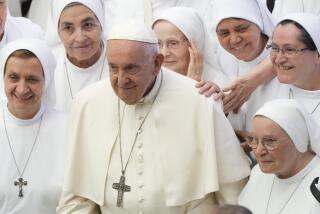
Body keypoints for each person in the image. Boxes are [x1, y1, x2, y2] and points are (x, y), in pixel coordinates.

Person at [57, 21, 250, 213]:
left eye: (131, 68)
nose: (121, 80)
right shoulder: (87, 103)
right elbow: (76, 199)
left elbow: (232, 192)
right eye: (113, 68)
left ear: (157, 63)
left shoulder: (200, 101)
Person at [0, 38, 66, 213]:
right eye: (13, 77)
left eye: (32, 79)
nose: (21, 89)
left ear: (46, 81)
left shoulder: (67, 128)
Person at [211, 0, 287, 133]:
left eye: (242, 29)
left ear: (259, 24)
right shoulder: (219, 57)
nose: (234, 40)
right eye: (224, 33)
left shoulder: (289, 61)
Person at [239, 99, 320, 214]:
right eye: (254, 139)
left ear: (297, 139)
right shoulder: (257, 174)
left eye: (270, 141)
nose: (258, 151)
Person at [152, 6, 227, 96]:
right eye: (158, 43)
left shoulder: (219, 87)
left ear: (195, 45)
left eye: (173, 43)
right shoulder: (148, 82)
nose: (164, 53)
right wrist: (191, 82)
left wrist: (193, 84)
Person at [52, 0, 109, 112]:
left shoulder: (119, 58)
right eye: (68, 28)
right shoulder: (49, 66)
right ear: (58, 32)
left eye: (87, 25)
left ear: (101, 25)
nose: (80, 38)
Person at [270, 13, 320, 125]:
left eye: (290, 50)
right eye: (274, 48)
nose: (278, 59)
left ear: (318, 55)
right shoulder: (263, 88)